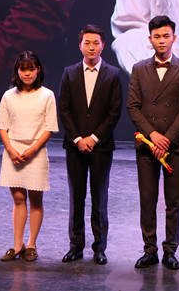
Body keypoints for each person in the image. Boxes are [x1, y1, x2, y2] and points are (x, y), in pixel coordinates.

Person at [127, 15, 179, 270]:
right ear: (150, 39)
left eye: (166, 36)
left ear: (174, 38)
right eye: (157, 36)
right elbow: (133, 107)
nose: (162, 41)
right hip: (147, 145)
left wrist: (166, 139)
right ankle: (150, 249)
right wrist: (153, 136)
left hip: (175, 145)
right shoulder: (139, 69)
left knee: (173, 201)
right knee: (147, 199)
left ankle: (170, 250)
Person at [58, 25, 122, 265]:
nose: (91, 47)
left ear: (103, 45)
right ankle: (75, 246)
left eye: (96, 43)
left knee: (99, 197)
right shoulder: (69, 73)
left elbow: (114, 112)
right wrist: (77, 138)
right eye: (87, 43)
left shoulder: (113, 74)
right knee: (76, 197)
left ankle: (99, 247)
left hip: (101, 146)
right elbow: (64, 109)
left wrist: (94, 138)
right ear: (80, 45)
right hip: (75, 146)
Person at [0, 51, 58, 262]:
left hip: (36, 153)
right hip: (13, 152)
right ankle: (17, 244)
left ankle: (31, 244)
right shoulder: (8, 95)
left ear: (38, 70)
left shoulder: (47, 95)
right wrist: (11, 150)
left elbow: (50, 127)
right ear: (18, 71)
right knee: (18, 199)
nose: (27, 73)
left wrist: (33, 149)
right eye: (23, 69)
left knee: (36, 200)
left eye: (31, 69)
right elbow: (2, 126)